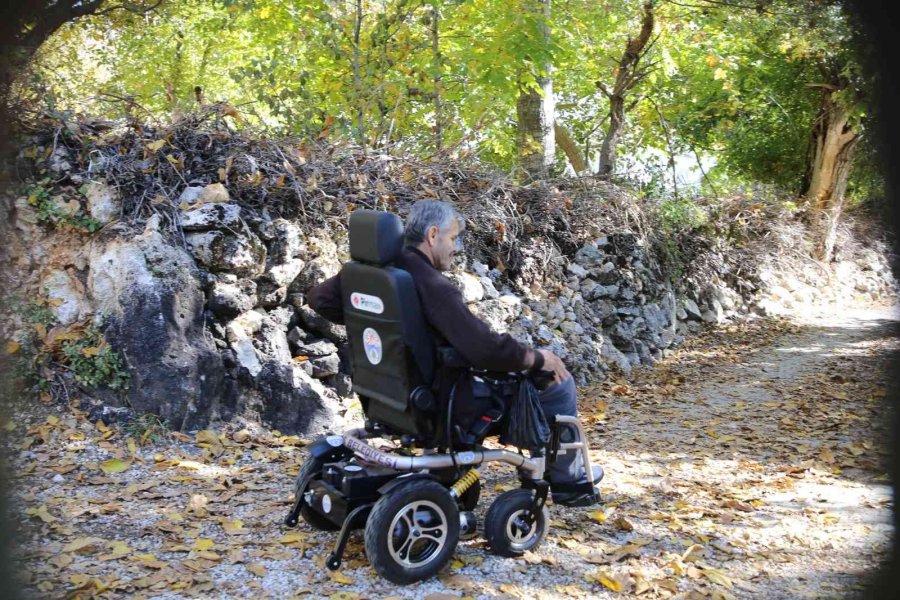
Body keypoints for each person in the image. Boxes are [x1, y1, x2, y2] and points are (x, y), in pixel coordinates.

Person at [307, 200, 602, 506]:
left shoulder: (368, 275)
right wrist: (540, 359)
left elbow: (320, 299)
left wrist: (376, 321)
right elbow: (485, 350)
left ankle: (452, 478)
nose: (457, 247)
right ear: (433, 235)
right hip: (442, 403)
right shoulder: (432, 285)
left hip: (387, 398)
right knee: (558, 382)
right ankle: (570, 482)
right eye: (453, 237)